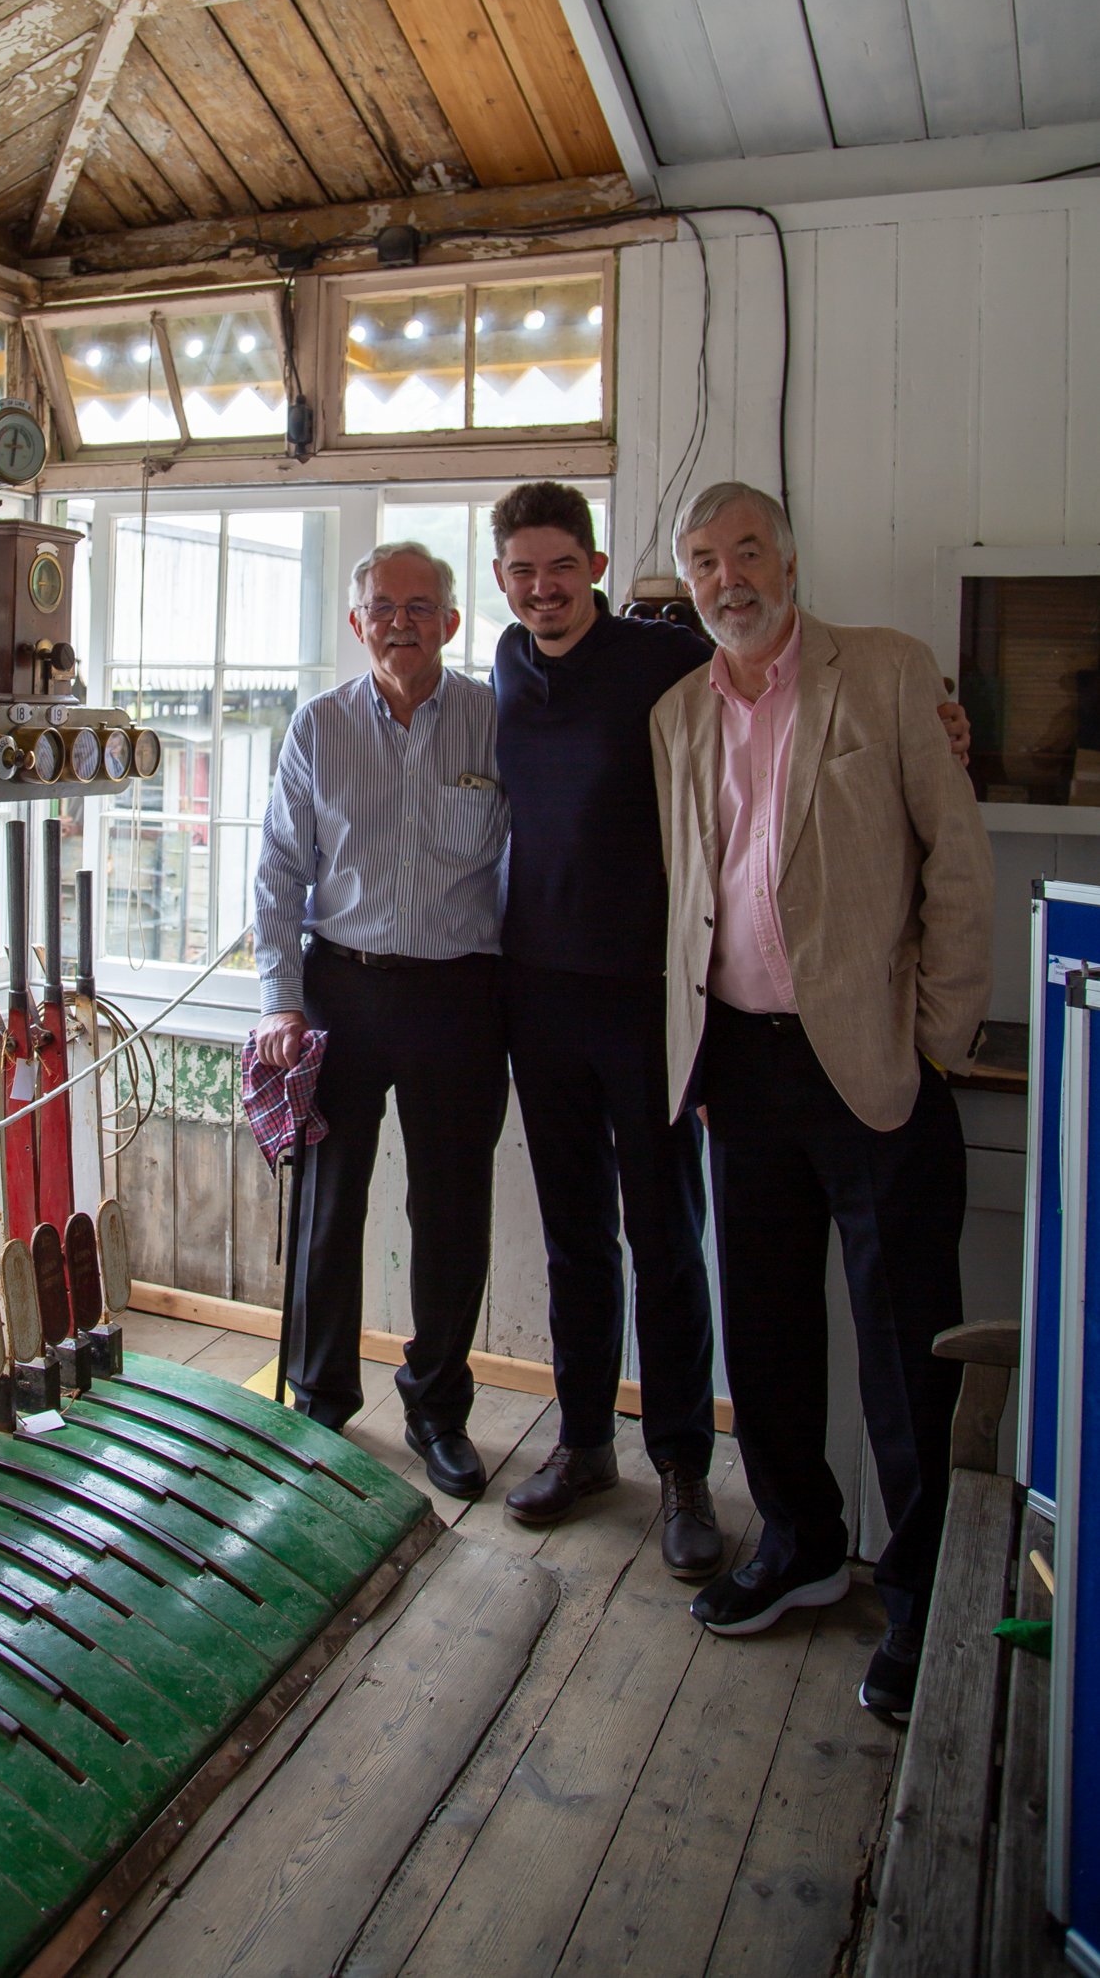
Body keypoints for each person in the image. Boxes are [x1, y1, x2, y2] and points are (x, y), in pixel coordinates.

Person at [651, 480, 993, 1722]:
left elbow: (956, 864)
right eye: (702, 559)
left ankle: (921, 1599)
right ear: (683, 580)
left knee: (909, 1349)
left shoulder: (888, 673)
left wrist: (937, 1041)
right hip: (736, 1068)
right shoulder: (675, 710)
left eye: (746, 550)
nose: (726, 575)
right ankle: (794, 1543)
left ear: (789, 561)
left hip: (873, 1066)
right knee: (769, 1331)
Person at [489, 481, 724, 1576]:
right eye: (520, 571)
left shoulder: (662, 659)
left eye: (558, 567)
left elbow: (768, 710)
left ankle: (681, 1465)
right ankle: (585, 1443)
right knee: (573, 1234)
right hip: (537, 996)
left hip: (644, 997)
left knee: (665, 1238)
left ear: (590, 563)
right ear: (501, 579)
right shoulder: (501, 662)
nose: (541, 589)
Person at [251, 542, 509, 1499]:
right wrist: (280, 1000)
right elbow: (279, 875)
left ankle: (438, 1411)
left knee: (450, 1214)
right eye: (381, 607)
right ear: (356, 623)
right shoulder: (316, 727)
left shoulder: (494, 720)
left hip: (459, 997)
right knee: (327, 1206)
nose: (400, 621)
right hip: (341, 992)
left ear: (450, 620)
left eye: (420, 604)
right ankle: (318, 1404)